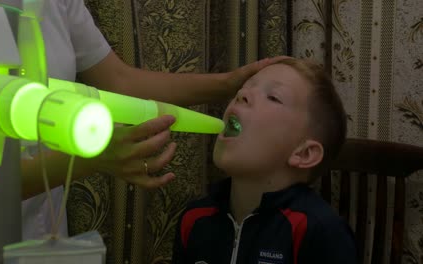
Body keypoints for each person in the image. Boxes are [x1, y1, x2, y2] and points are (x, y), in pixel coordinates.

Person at [21, 0, 285, 240]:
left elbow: (118, 81)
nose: (245, 97)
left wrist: (228, 84)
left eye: (273, 97)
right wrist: (90, 157)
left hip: (43, 234)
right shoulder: (198, 225)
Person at [171, 58, 358, 264]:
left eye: (273, 97)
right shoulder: (194, 219)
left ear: (304, 154)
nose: (241, 95)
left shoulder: (321, 232)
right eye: (243, 88)